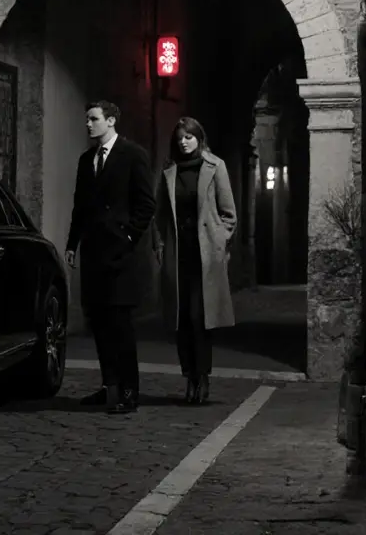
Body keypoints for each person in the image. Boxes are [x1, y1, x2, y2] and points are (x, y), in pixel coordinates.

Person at [64, 100, 157, 415]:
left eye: (93, 119)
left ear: (111, 121)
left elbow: (146, 204)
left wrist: (129, 236)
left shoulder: (133, 155)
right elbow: (80, 206)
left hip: (120, 255)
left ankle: (129, 391)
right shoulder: (86, 160)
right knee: (100, 323)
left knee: (120, 324)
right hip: (93, 253)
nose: (88, 124)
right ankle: (109, 387)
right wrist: (72, 243)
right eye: (87, 119)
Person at [152, 117, 238, 405]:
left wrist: (219, 240)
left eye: (189, 137)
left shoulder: (215, 167)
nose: (183, 142)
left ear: (199, 138)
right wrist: (160, 245)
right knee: (181, 321)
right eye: (179, 138)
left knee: (200, 319)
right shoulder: (169, 171)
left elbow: (229, 213)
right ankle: (188, 375)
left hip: (206, 257)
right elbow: (160, 213)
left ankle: (202, 377)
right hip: (179, 255)